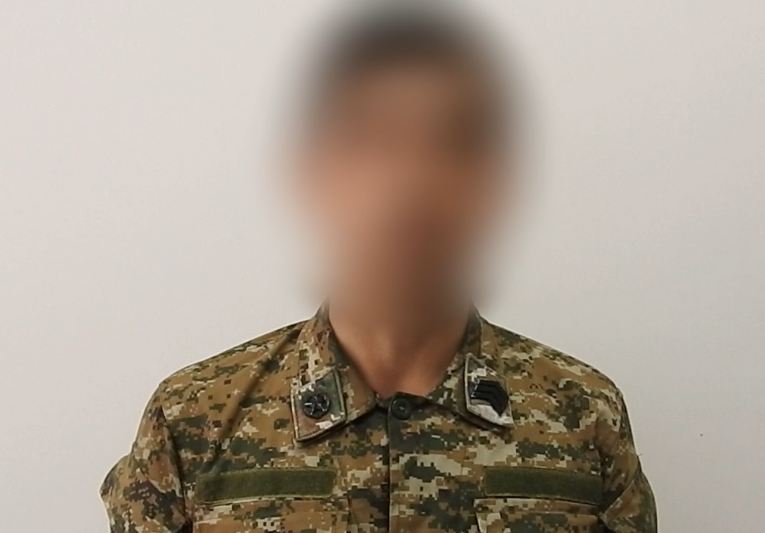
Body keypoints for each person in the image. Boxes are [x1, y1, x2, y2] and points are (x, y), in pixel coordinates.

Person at [101, 6, 656, 532]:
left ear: (495, 182)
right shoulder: (193, 420)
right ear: (312, 173)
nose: (408, 184)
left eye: (450, 143)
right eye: (368, 140)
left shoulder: (584, 415)